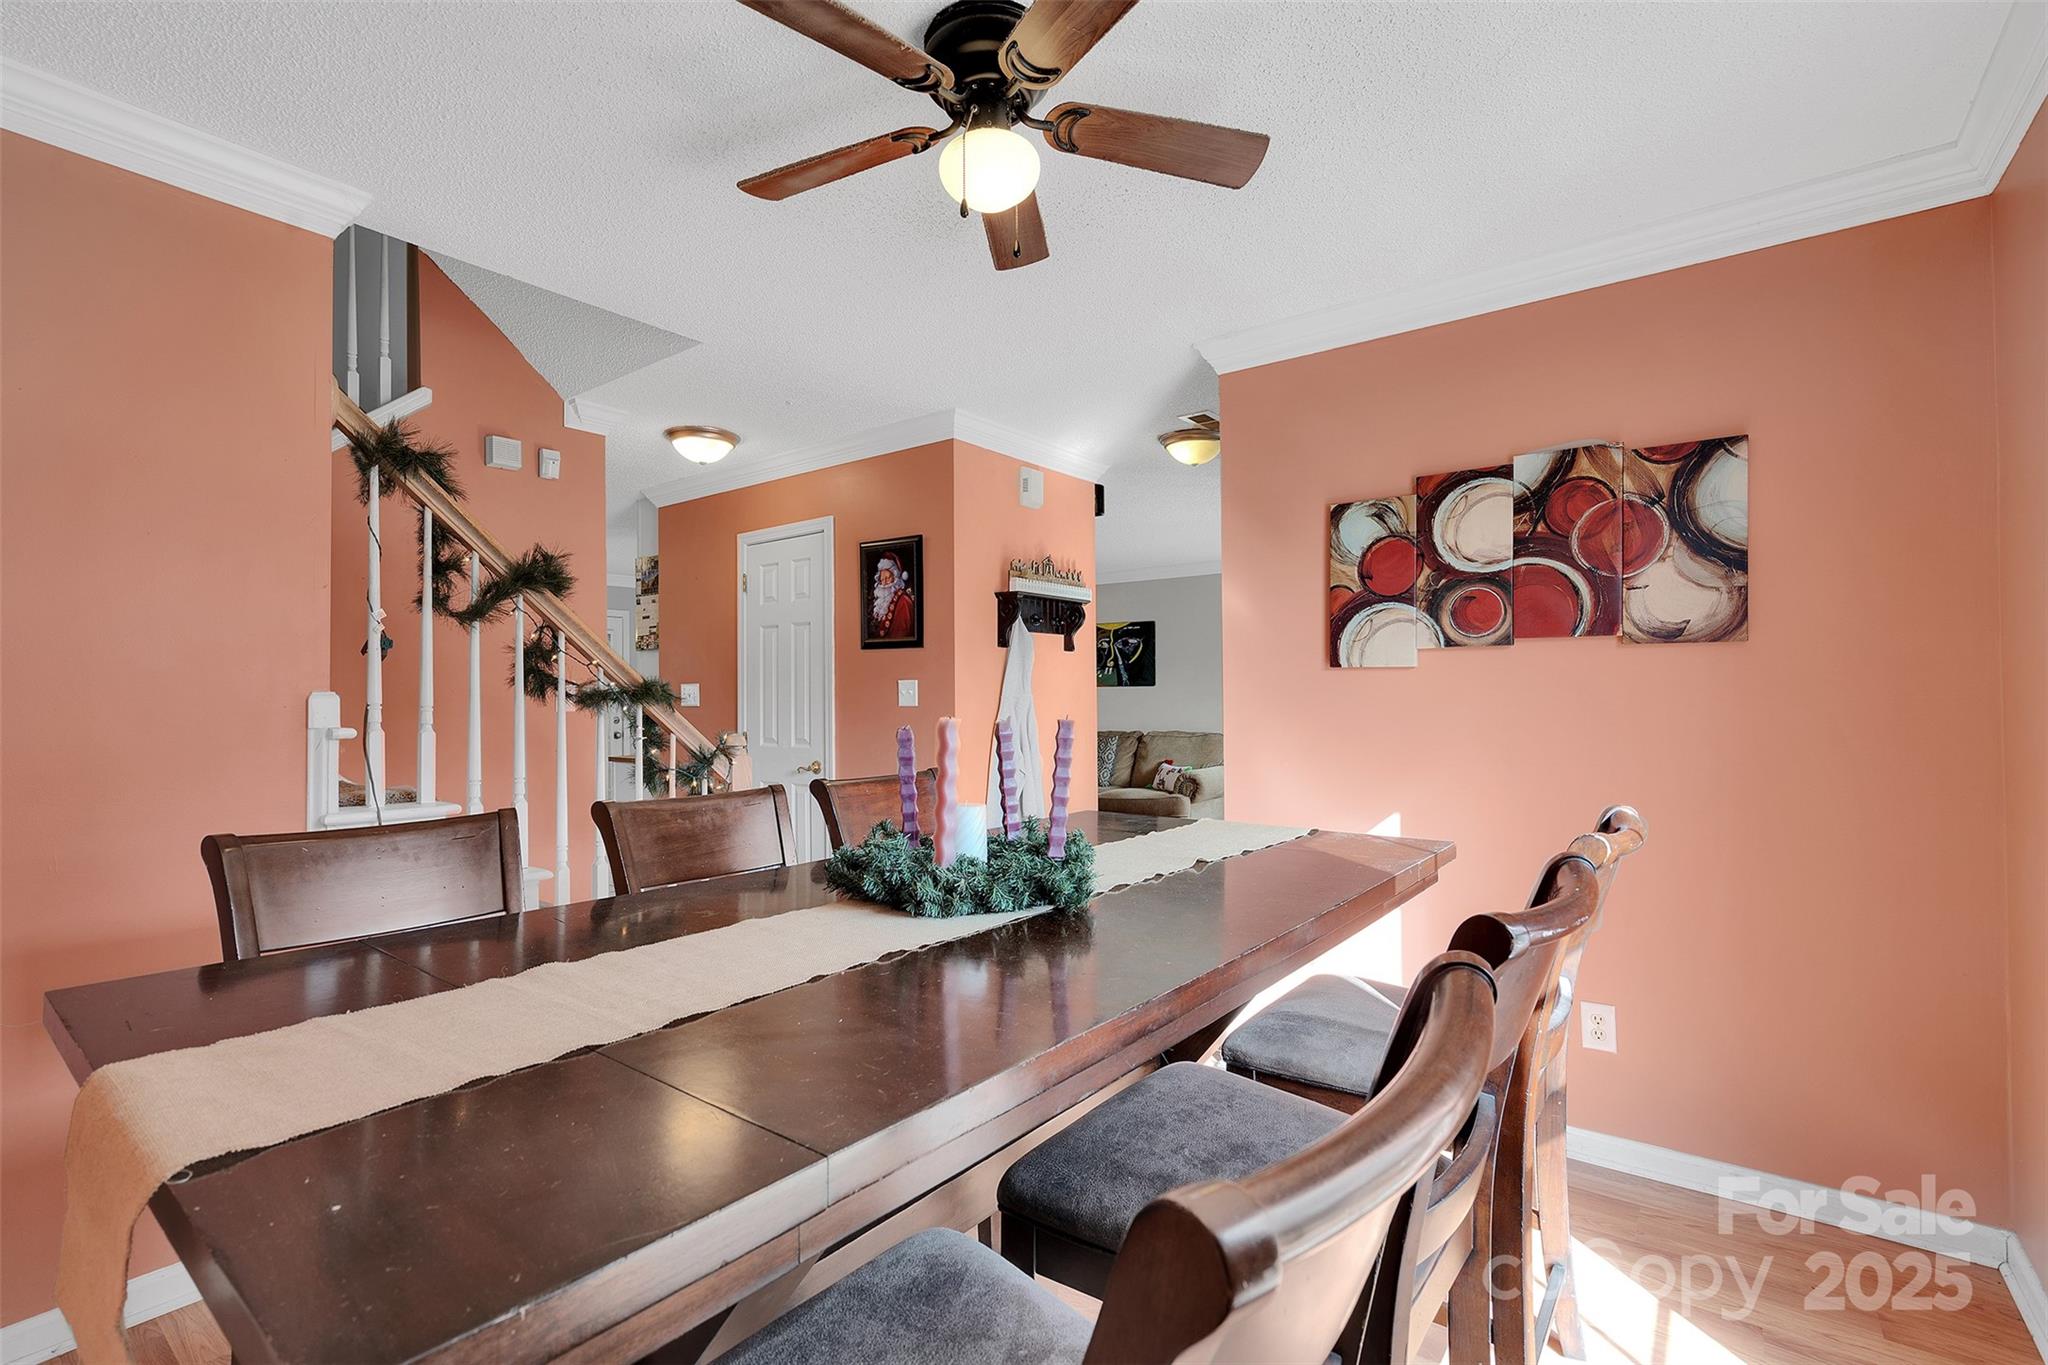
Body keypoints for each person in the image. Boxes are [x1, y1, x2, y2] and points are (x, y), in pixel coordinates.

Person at [870, 552, 916, 640]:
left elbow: (902, 635)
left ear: (896, 578)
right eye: (881, 579)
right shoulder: (881, 604)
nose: (884, 583)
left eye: (887, 578)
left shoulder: (904, 601)